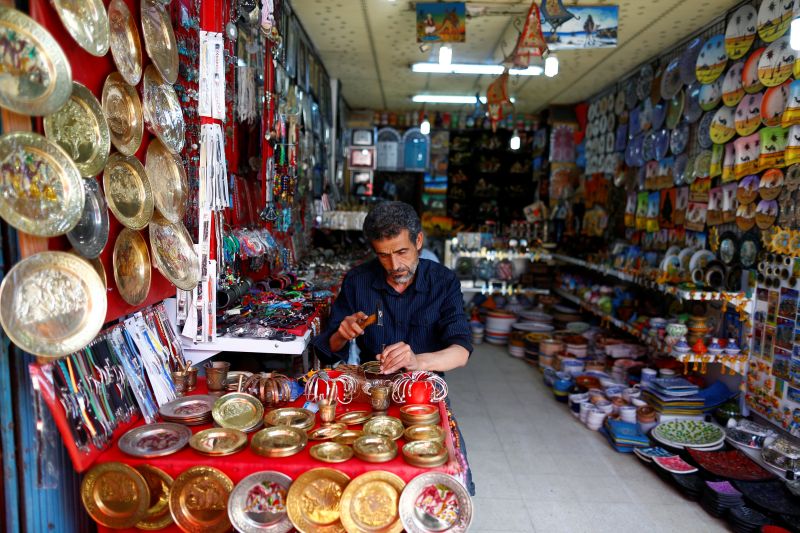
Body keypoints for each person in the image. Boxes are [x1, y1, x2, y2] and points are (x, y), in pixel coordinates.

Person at [312, 201, 471, 373]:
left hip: (423, 389)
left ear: (418, 241)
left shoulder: (443, 282)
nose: (394, 265)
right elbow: (329, 350)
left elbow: (461, 351)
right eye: (383, 255)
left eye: (402, 252)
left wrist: (417, 362)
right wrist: (342, 335)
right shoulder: (357, 281)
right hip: (372, 385)